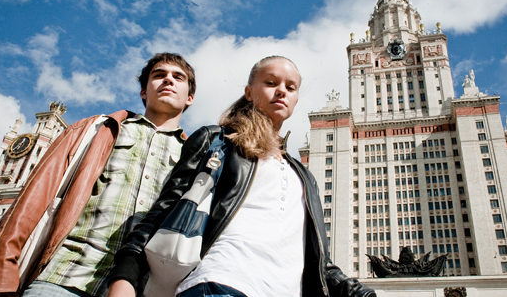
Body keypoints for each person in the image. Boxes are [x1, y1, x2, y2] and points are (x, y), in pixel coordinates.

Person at [107, 56, 376, 297]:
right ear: (248, 92)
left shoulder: (303, 175)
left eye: (290, 87)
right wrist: (125, 277)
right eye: (271, 82)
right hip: (220, 283)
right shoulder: (218, 141)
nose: (281, 90)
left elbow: (319, 261)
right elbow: (165, 208)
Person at [0, 53, 197, 297]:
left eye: (178, 77)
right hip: (64, 277)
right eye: (159, 75)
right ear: (143, 91)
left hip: (142, 288)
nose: (168, 80)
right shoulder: (93, 129)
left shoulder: (196, 158)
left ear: (189, 98)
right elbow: (30, 202)